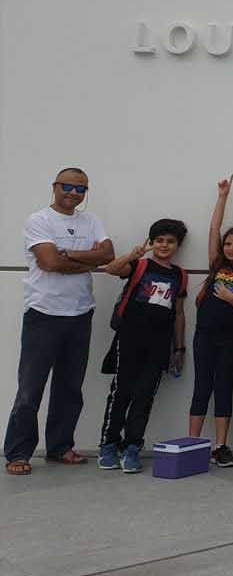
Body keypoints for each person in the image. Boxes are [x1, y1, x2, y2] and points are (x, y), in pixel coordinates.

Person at [6, 168, 114, 475]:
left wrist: (69, 255)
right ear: (55, 186)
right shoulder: (39, 220)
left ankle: (60, 447)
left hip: (80, 314)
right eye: (68, 186)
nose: (74, 193)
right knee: (30, 389)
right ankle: (18, 452)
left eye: (81, 189)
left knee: (70, 387)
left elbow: (108, 253)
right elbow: (49, 262)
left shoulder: (91, 221)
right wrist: (88, 258)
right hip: (44, 315)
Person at [97, 219, 189, 474]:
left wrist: (179, 348)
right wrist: (132, 254)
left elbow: (179, 313)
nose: (164, 245)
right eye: (159, 240)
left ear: (178, 245)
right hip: (129, 338)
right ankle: (108, 445)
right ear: (151, 242)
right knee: (121, 392)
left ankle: (132, 447)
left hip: (159, 344)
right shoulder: (140, 265)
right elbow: (110, 269)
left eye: (170, 241)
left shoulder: (180, 275)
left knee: (145, 396)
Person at [189, 176, 233, 468]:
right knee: (201, 387)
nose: (230, 248)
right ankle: (192, 443)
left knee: (224, 388)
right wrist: (222, 197)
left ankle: (220, 446)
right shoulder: (217, 265)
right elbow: (213, 230)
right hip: (204, 335)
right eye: (227, 244)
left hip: (230, 339)